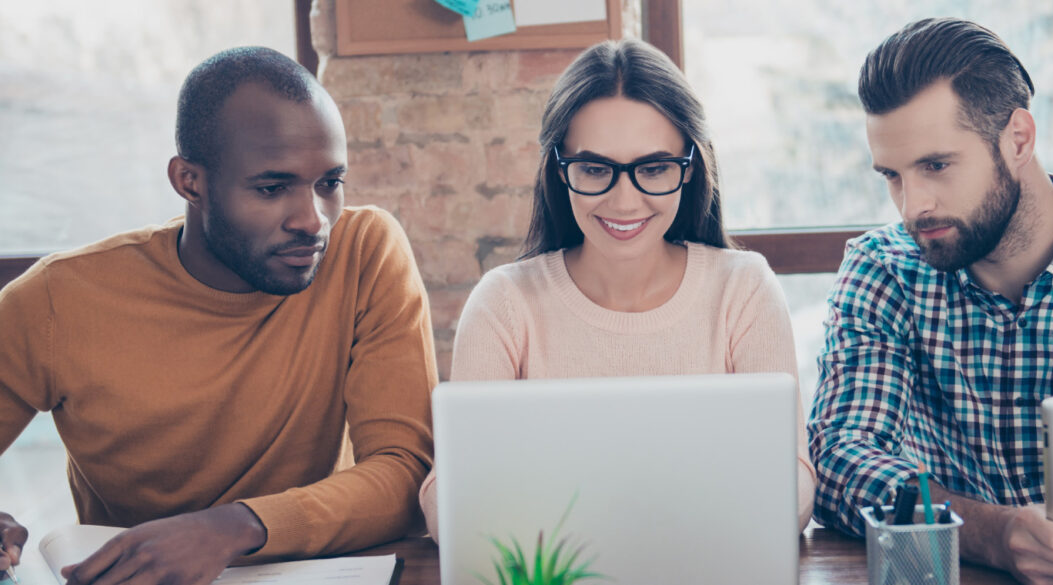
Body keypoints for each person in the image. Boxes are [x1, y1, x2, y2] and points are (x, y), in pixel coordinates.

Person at [0, 47, 437, 584]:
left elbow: (405, 474)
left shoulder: (364, 253)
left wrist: (232, 528)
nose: (313, 220)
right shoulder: (56, 299)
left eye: (329, 183)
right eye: (273, 188)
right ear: (190, 182)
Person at [809, 17, 1053, 585]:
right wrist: (988, 532)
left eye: (936, 165)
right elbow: (839, 458)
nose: (913, 205)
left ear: (1018, 138)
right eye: (892, 175)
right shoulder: (884, 271)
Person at [417, 38, 817, 542]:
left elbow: (794, 481)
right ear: (559, 170)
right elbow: (445, 497)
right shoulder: (504, 303)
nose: (624, 201)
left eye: (652, 169)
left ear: (689, 166)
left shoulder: (744, 288)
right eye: (594, 169)